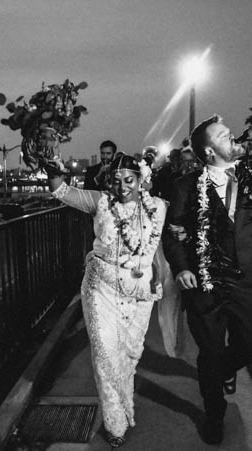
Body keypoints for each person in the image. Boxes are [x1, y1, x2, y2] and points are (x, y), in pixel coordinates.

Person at [163, 114, 252, 444]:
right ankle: (214, 415)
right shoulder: (186, 187)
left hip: (247, 279)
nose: (234, 138)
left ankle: (227, 367)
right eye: (224, 136)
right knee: (210, 353)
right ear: (210, 152)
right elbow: (172, 235)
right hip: (205, 283)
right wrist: (182, 268)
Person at [46, 153, 167, 448]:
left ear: (141, 181)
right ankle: (114, 422)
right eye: (116, 181)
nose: (123, 186)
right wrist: (51, 169)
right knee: (104, 353)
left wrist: (161, 275)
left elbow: (158, 249)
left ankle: (125, 403)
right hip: (101, 288)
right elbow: (62, 191)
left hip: (139, 291)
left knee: (129, 353)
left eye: (129, 180)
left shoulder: (158, 207)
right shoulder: (99, 201)